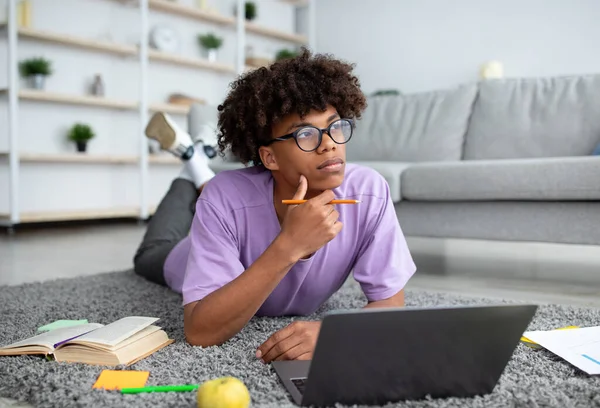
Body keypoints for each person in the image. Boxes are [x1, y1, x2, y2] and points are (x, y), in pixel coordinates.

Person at [133, 49, 416, 364]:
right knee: (149, 253)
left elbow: (390, 302)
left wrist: (333, 334)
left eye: (335, 126)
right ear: (269, 157)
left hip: (232, 209)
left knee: (212, 191)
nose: (330, 143)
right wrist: (289, 245)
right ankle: (192, 168)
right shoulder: (222, 197)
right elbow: (200, 331)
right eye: (305, 134)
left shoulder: (369, 192)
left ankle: (195, 159)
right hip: (182, 255)